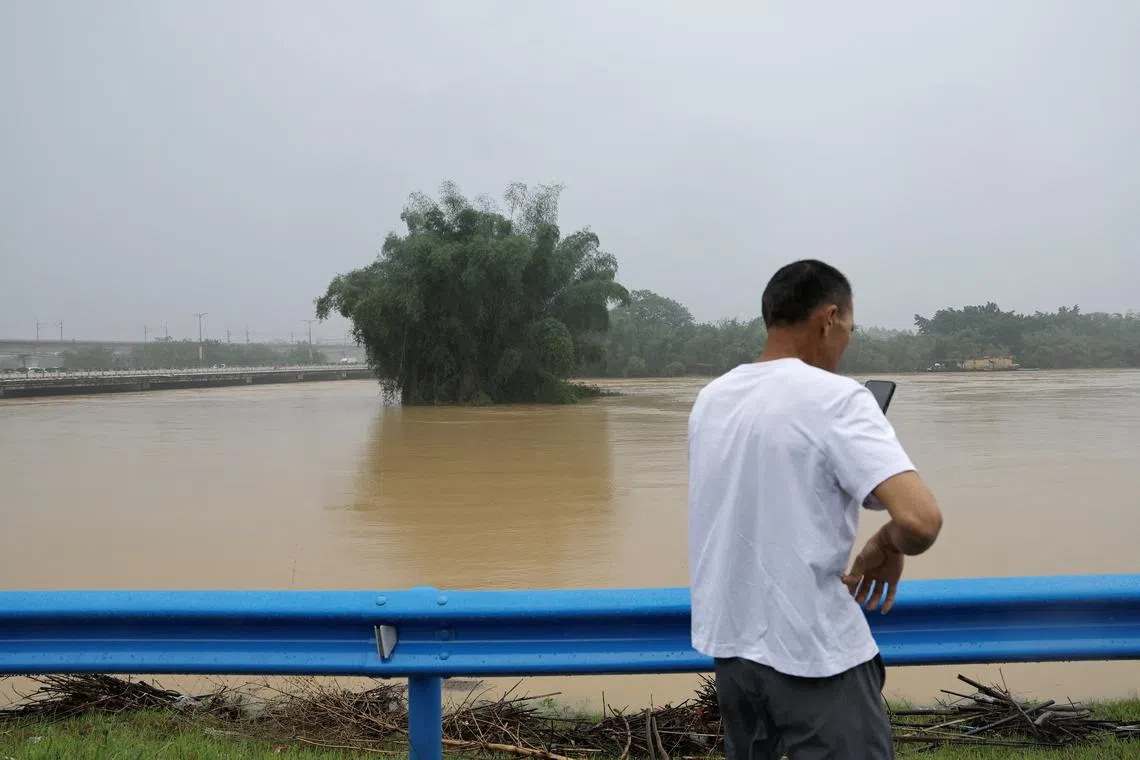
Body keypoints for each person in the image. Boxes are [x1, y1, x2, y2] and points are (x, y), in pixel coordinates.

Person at [687, 260, 943, 760]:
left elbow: (782, 490)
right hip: (815, 656)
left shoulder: (711, 399)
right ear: (828, 318)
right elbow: (920, 520)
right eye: (849, 326)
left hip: (734, 654)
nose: (847, 339)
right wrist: (884, 543)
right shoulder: (838, 398)